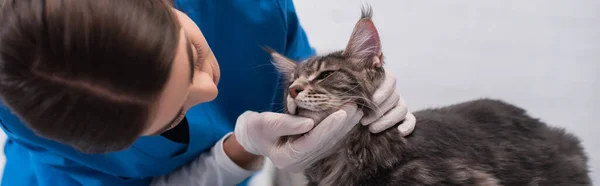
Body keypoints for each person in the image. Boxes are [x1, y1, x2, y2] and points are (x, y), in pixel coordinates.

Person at [0, 0, 416, 185]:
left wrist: (361, 87)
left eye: (193, 54)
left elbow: (302, 70)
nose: (210, 88)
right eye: (176, 117)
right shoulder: (50, 150)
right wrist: (237, 152)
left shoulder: (242, 6)